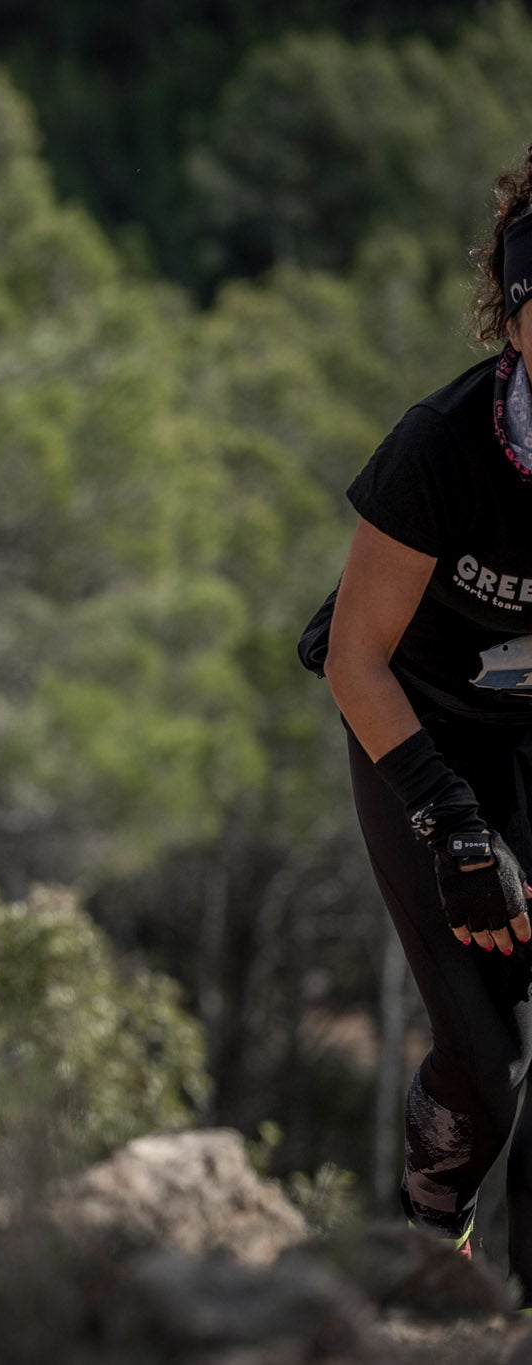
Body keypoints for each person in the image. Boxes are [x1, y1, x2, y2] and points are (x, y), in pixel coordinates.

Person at [316, 146, 532, 1284]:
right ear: (511, 324)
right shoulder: (441, 446)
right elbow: (353, 658)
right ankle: (421, 1252)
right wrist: (451, 822)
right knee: (483, 1067)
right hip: (423, 730)